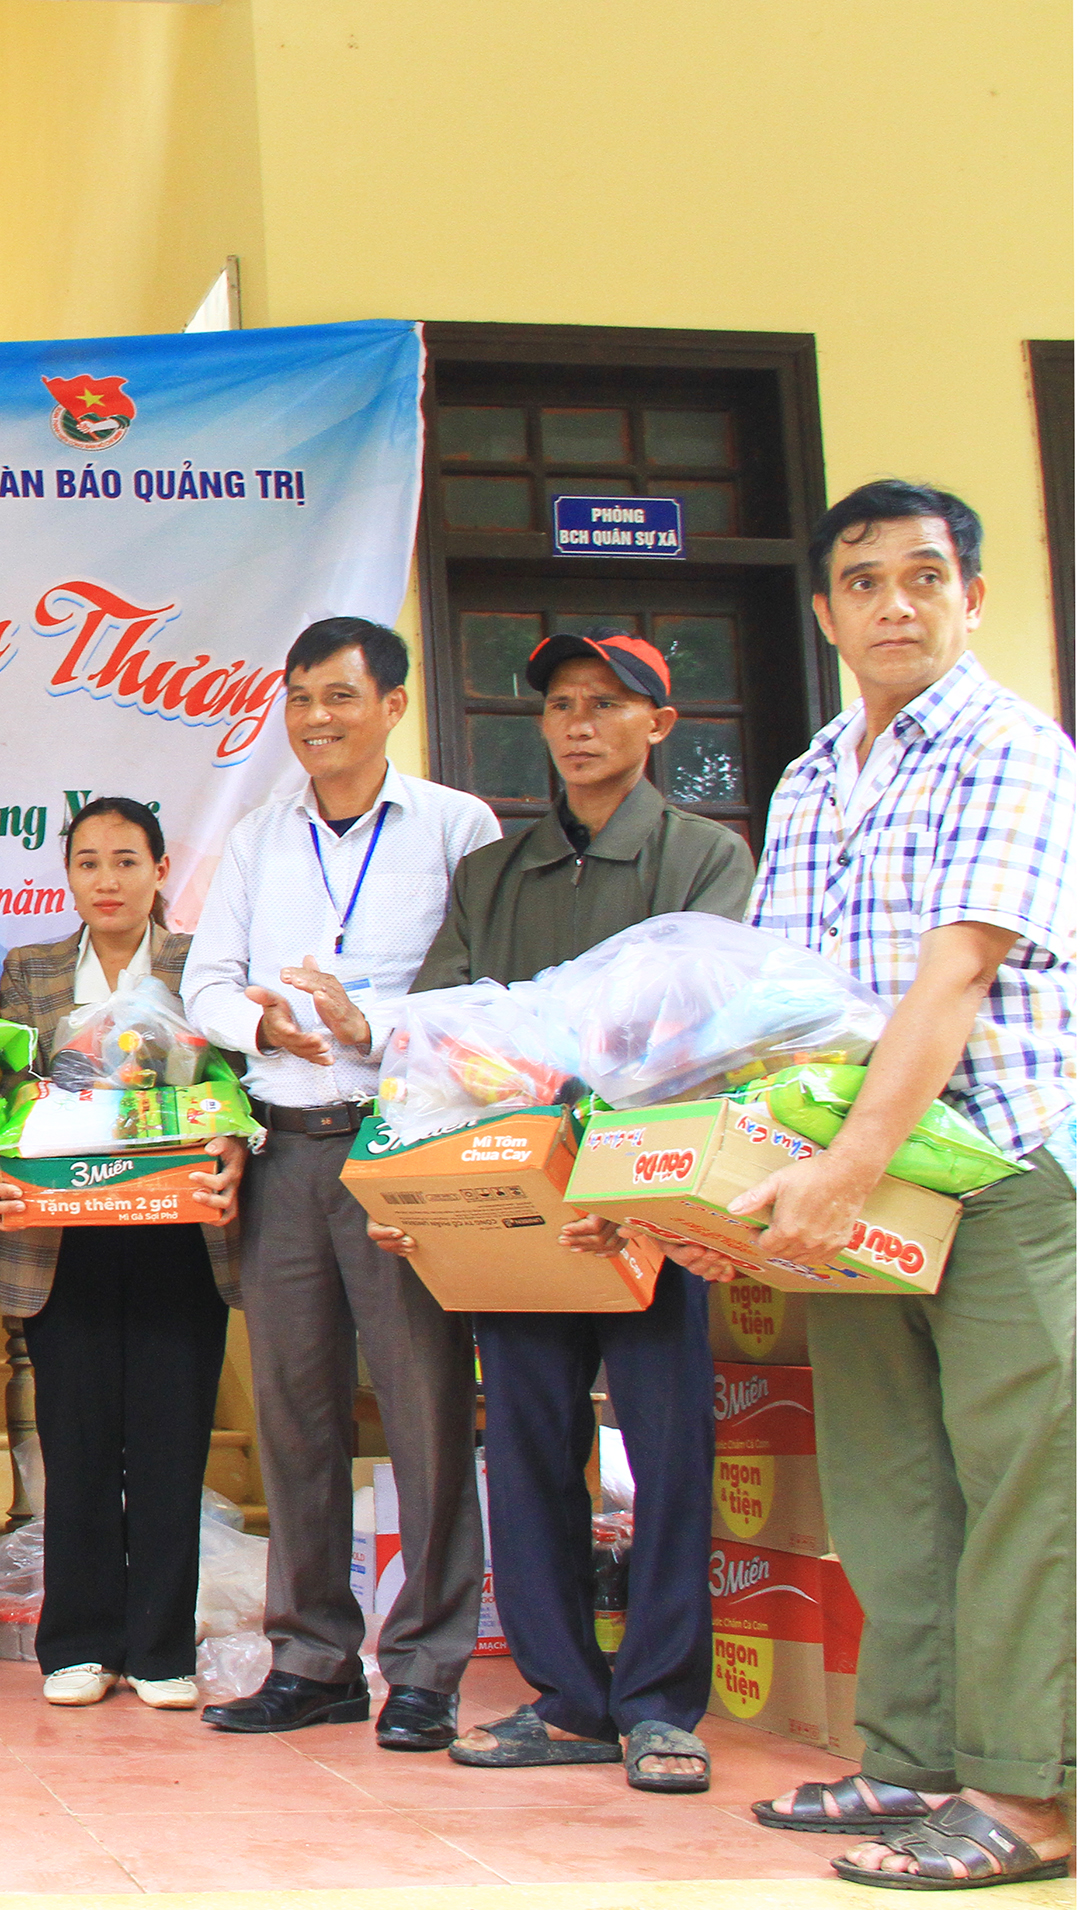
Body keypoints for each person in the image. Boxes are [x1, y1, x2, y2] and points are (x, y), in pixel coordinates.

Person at [712, 482, 1075, 1891]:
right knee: (893, 1482)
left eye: (926, 577)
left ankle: (1029, 1795)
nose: (896, 604)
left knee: (1023, 1486)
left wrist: (842, 1166)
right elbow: (781, 1008)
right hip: (849, 1183)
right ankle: (915, 1755)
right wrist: (739, 1180)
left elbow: (957, 976)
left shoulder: (1012, 747)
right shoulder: (812, 776)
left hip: (995, 1162)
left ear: (972, 596)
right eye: (864, 582)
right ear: (826, 612)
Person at [375, 629, 751, 1793]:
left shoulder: (704, 858)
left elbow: (706, 1030)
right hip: (520, 1209)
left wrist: (567, 1076)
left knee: (670, 1443)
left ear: (658, 725)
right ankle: (566, 1696)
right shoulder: (496, 873)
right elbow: (444, 1031)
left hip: (650, 1198)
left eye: (605, 703)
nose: (578, 724)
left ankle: (658, 1702)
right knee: (530, 1443)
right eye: (561, 706)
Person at [182, 616, 499, 1751]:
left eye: (342, 696)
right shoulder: (260, 838)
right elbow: (206, 981)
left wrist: (382, 1021)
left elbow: (494, 990)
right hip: (281, 1146)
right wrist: (252, 1013)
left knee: (423, 1405)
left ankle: (426, 1664)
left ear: (394, 703)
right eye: (301, 697)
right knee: (296, 1411)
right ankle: (312, 1655)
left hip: (403, 1144)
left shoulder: (460, 827)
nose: (317, 718)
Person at [0, 798, 244, 1711]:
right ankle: (80, 1644)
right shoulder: (35, 968)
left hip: (178, 1232)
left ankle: (163, 1647)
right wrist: (8, 1149)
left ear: (161, 871)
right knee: (79, 1442)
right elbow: (9, 1090)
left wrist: (230, 1136)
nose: (107, 880)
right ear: (68, 876)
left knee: (170, 1445)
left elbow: (230, 1087)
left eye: (127, 861)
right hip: (67, 1237)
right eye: (88, 862)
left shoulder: (200, 964)